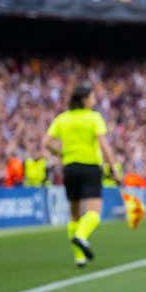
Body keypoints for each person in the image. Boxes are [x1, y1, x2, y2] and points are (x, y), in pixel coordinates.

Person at [45, 82, 118, 267]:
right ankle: (81, 235)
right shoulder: (93, 118)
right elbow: (104, 144)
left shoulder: (63, 118)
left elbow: (46, 142)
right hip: (90, 168)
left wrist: (62, 154)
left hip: (70, 168)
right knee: (94, 212)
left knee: (75, 215)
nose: (94, 100)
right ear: (84, 99)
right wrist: (113, 167)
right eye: (92, 97)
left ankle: (79, 257)